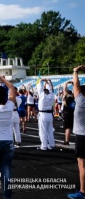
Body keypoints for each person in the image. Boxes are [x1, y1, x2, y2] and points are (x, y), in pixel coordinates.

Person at [67, 65, 85, 199]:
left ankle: (83, 191)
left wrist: (75, 71)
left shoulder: (80, 101)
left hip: (82, 137)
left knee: (82, 165)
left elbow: (76, 84)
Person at [36, 78, 55, 151]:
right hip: (50, 115)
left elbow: (39, 87)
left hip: (43, 114)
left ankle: (44, 146)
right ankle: (51, 145)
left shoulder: (42, 95)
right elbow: (50, 89)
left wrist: (41, 80)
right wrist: (47, 82)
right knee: (50, 131)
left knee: (43, 131)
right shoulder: (52, 95)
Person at [62, 81, 75, 145]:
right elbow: (75, 90)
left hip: (67, 113)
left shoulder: (66, 98)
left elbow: (64, 89)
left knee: (67, 127)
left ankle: (66, 141)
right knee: (70, 127)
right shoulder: (74, 97)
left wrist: (66, 83)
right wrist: (73, 84)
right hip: (72, 113)